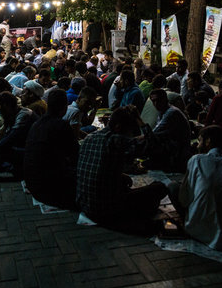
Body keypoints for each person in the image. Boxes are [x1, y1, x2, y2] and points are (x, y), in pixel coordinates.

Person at [76, 105, 168, 234]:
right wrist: (139, 120)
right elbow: (153, 144)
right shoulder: (116, 140)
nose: (130, 136)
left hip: (85, 205)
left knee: (124, 181)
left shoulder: (90, 138)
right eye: (129, 132)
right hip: (106, 210)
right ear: (119, 128)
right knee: (159, 188)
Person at [24, 89, 80, 210]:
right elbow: (76, 154)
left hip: (33, 184)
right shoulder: (62, 125)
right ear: (64, 107)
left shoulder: (37, 123)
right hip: (50, 188)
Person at [144, 89, 191, 172]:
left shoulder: (171, 113)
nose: (155, 104)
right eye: (153, 101)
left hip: (178, 153)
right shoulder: (162, 111)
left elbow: (152, 134)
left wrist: (138, 120)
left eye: (158, 100)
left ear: (165, 99)